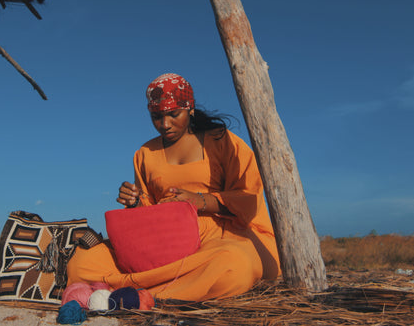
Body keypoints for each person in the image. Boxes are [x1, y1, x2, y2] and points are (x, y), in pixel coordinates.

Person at [66, 73, 280, 301]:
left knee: (234, 266)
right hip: (165, 241)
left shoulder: (222, 141)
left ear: (190, 109)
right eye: (156, 117)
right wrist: (136, 202)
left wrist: (199, 200)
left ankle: (139, 294)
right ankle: (161, 290)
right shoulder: (144, 154)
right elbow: (148, 213)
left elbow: (249, 198)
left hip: (221, 238)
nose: (164, 124)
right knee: (82, 262)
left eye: (173, 114)